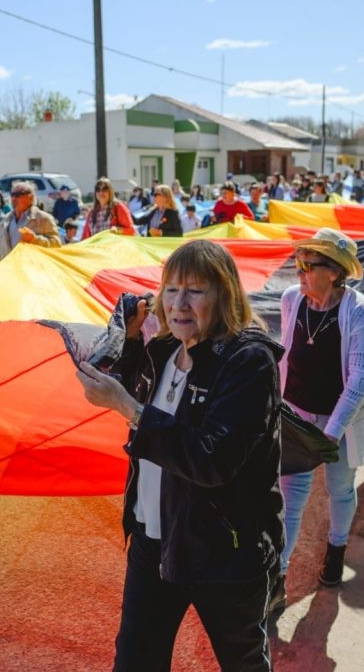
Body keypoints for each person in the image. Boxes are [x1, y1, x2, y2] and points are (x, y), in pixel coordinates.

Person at [75, 240, 284, 671]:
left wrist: (128, 408)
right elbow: (145, 404)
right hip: (154, 540)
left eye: (195, 290)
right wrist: (130, 341)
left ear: (224, 294)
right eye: (171, 290)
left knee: (242, 662)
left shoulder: (249, 360)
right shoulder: (167, 349)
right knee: (135, 660)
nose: (179, 303)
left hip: (224, 550)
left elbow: (211, 460)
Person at [270, 228, 364, 612]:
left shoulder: (358, 309)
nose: (298, 272)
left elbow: (362, 378)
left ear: (333, 272)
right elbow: (284, 356)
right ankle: (277, 578)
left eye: (307, 265)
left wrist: (331, 434)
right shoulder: (290, 300)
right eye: (297, 264)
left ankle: (336, 547)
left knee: (340, 488)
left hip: (340, 421)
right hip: (297, 415)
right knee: (290, 499)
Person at [0, 181, 62, 263]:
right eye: (12, 195)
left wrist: (34, 239)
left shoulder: (43, 219)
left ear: (31, 197)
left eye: (18, 194)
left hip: (32, 272)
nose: (14, 198)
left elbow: (56, 245)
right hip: (9, 272)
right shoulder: (4, 221)